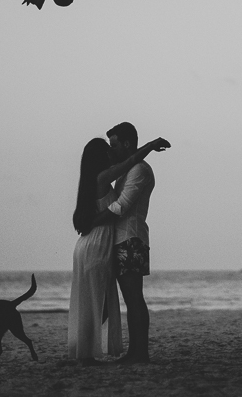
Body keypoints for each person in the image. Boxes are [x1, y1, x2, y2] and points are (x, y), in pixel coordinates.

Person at [67, 135, 169, 365]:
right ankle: (85, 353)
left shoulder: (98, 179)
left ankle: (86, 352)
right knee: (98, 301)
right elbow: (120, 202)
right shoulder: (104, 177)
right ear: (100, 157)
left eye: (113, 146)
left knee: (97, 301)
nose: (111, 152)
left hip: (97, 244)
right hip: (98, 244)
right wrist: (151, 146)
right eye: (108, 149)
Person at [90, 122, 157, 364]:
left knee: (133, 298)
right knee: (129, 298)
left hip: (131, 239)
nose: (111, 149)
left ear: (127, 144)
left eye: (114, 144)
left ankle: (139, 352)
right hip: (122, 240)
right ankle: (135, 351)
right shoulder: (126, 170)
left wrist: (91, 222)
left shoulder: (139, 170)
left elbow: (121, 207)